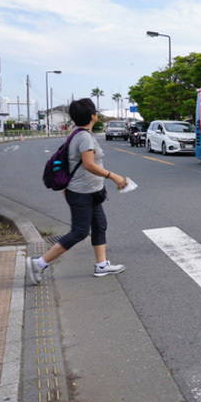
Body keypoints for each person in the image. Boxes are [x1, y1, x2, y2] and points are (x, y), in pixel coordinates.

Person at [26, 98, 128, 286]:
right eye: (95, 111)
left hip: (91, 190)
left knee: (100, 225)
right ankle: (38, 263)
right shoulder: (83, 137)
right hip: (81, 192)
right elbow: (89, 164)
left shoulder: (79, 134)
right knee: (80, 231)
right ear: (92, 116)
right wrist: (113, 176)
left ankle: (101, 265)